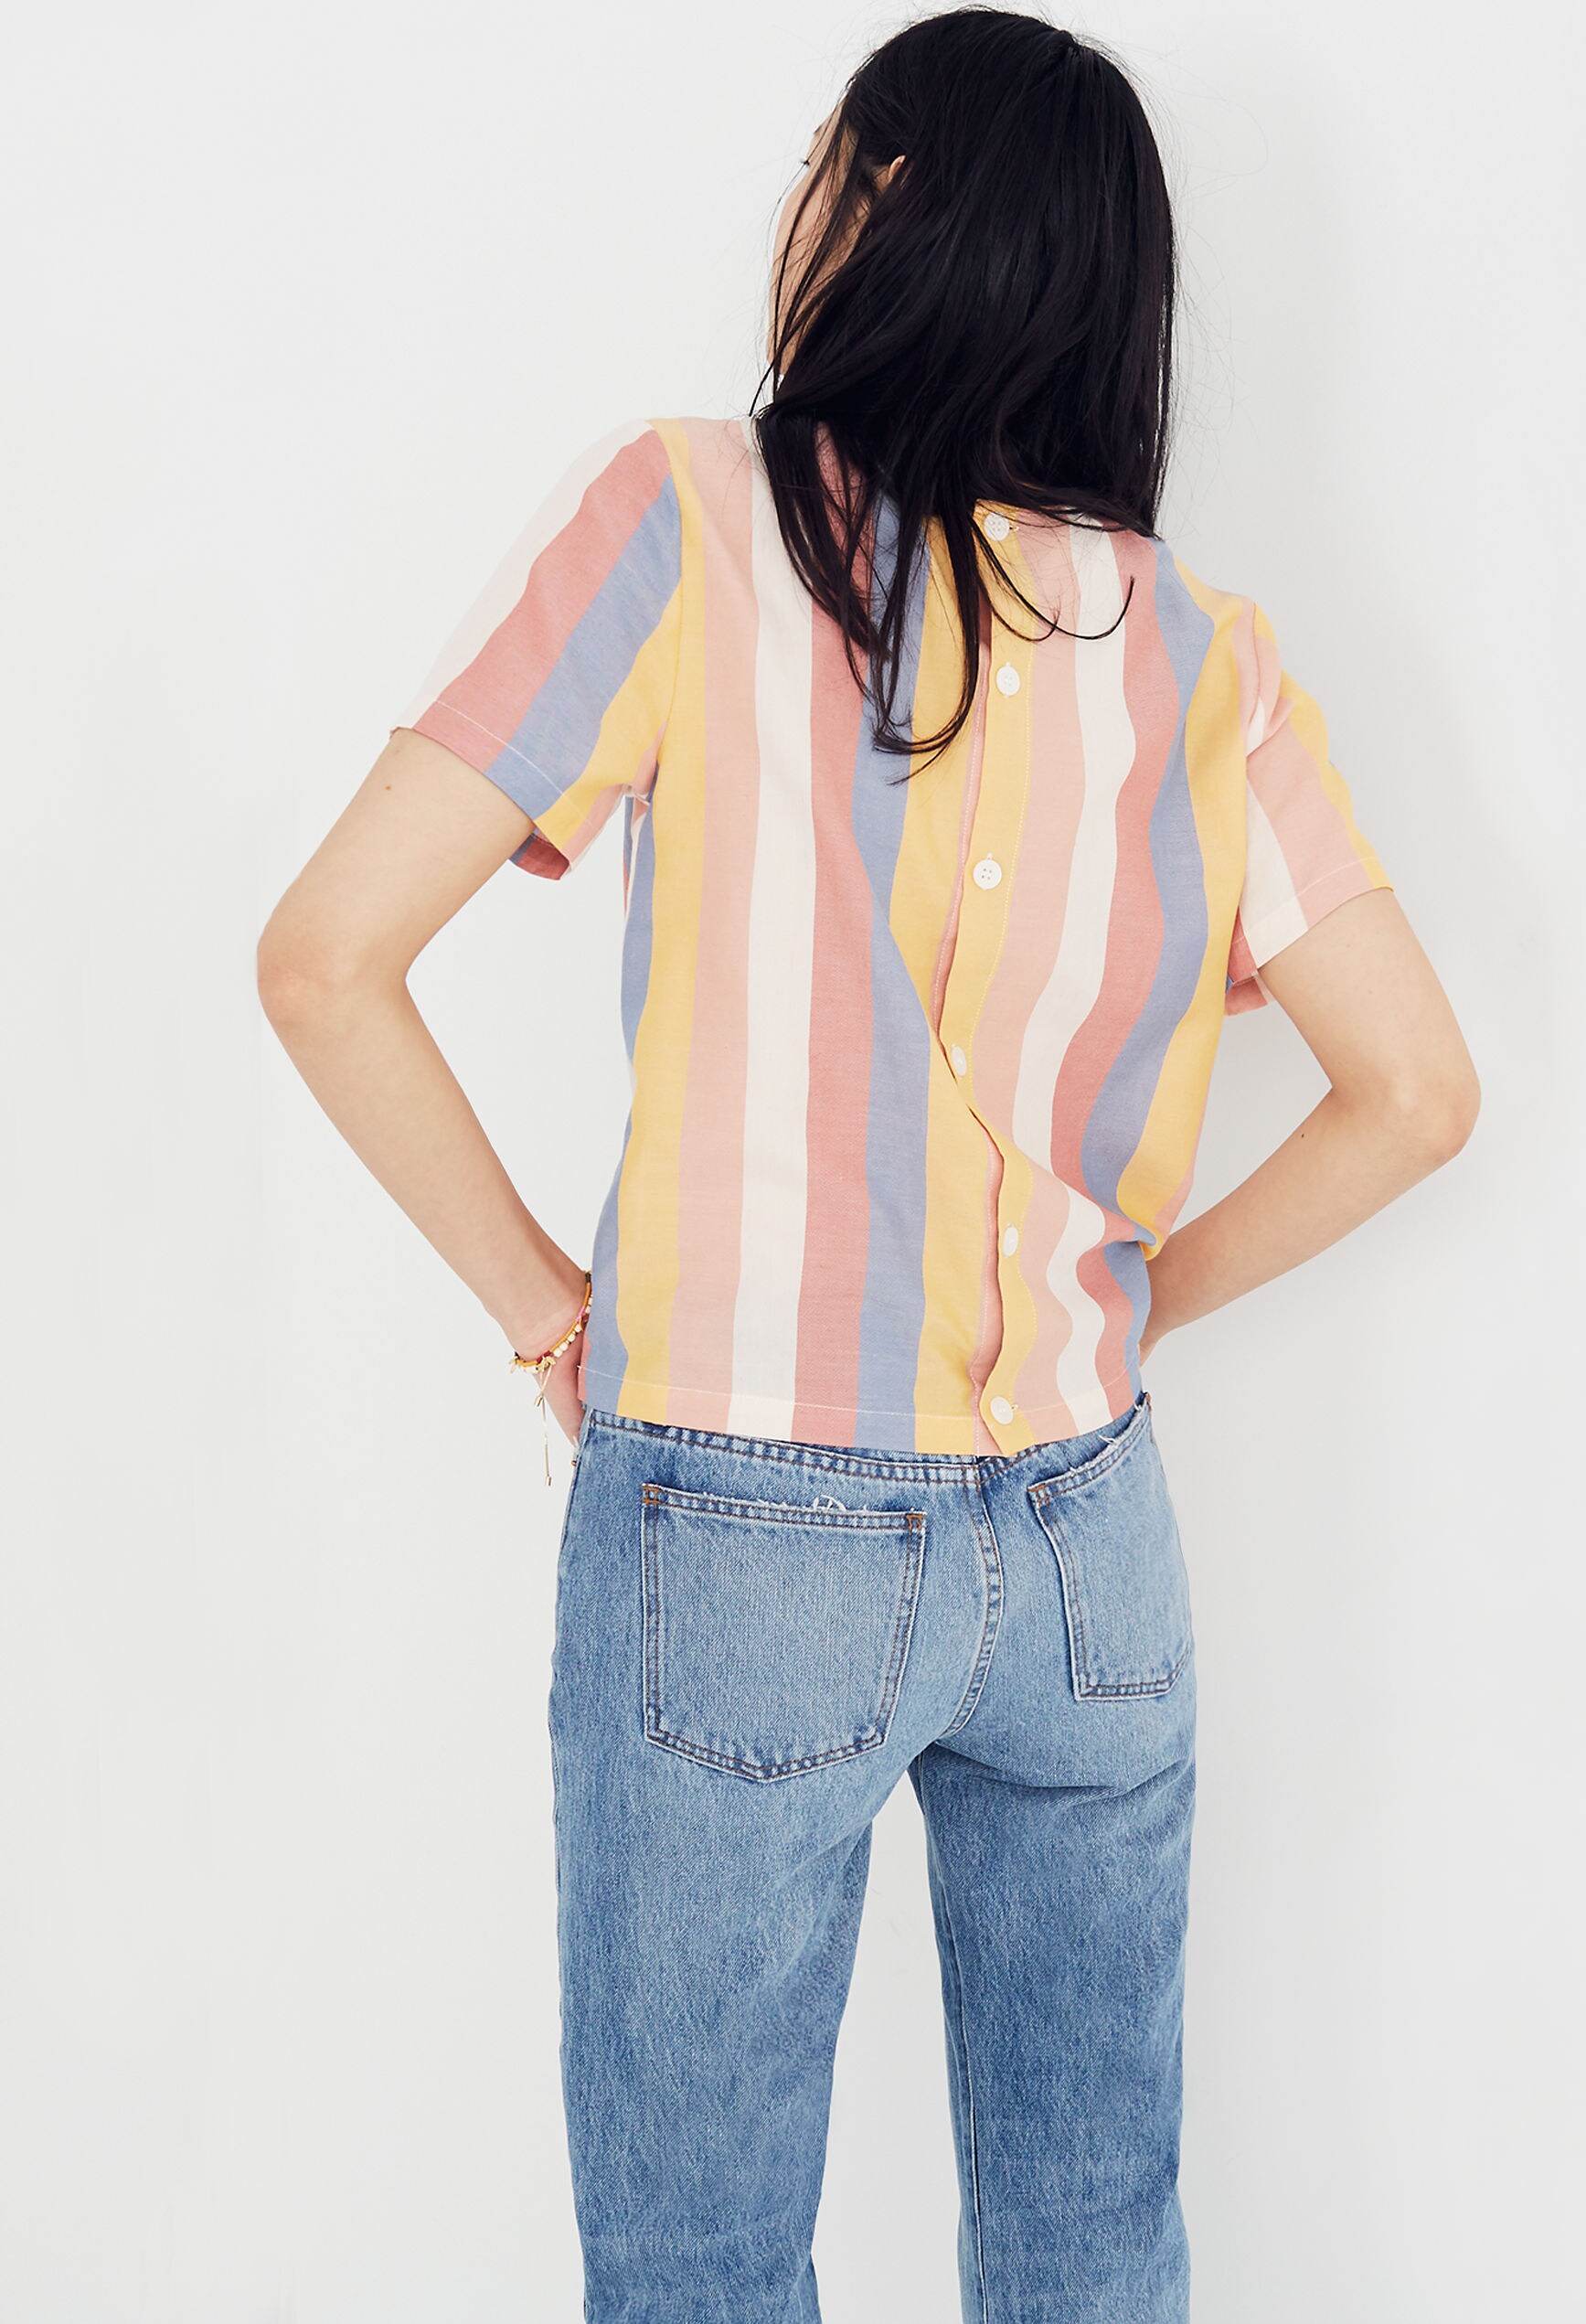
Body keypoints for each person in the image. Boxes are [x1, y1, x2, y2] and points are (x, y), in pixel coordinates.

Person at [257, 9, 1479, 2318]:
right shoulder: (1205, 661)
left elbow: (323, 959)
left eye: (828, 156)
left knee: (701, 2266)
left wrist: (546, 1311)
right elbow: (1414, 1089)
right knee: (1092, 2240)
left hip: (741, 1523)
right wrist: (1132, 1305)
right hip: (1092, 1550)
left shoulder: (689, 520)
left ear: (890, 204)